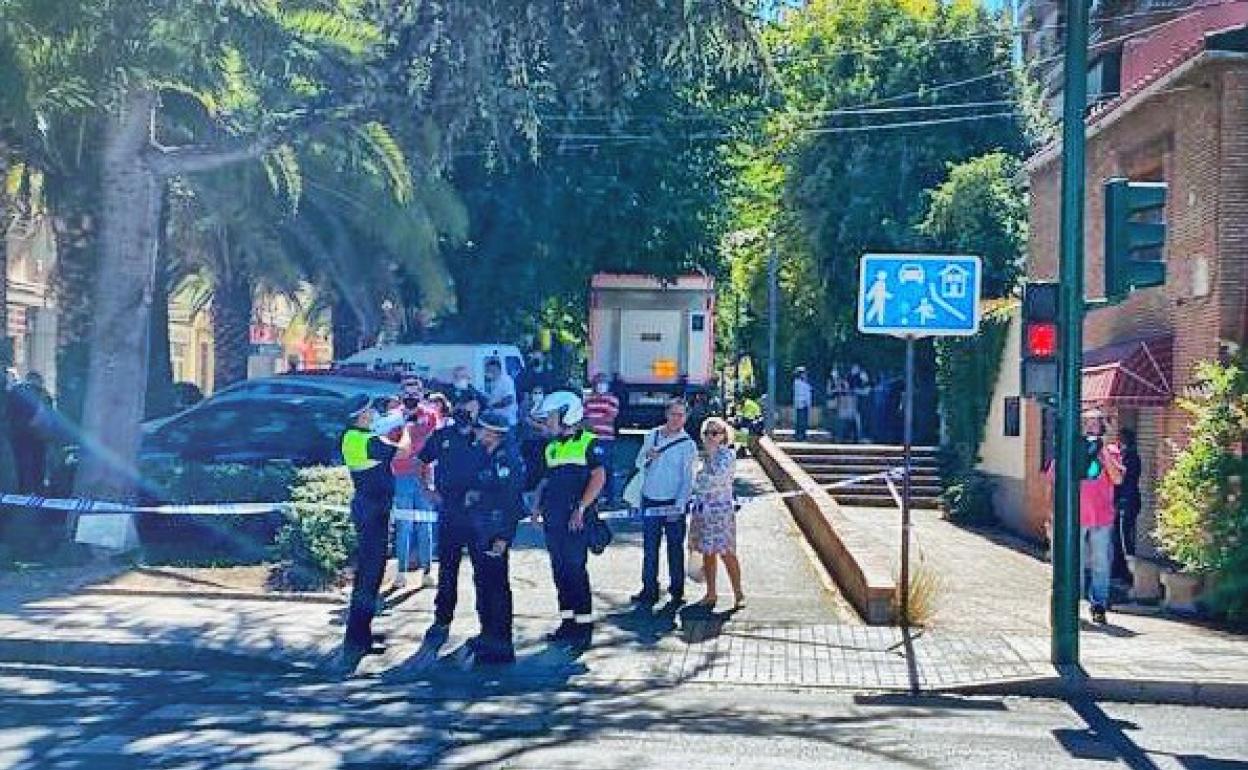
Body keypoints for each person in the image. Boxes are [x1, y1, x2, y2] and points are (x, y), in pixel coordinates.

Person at [337, 394, 412, 669]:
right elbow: (402, 451)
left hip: (371, 510)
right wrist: (404, 430)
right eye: (369, 412)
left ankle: (362, 634)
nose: (373, 415)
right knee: (369, 576)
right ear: (360, 415)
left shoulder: (356, 436)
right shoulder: (363, 440)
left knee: (371, 575)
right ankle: (356, 639)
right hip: (372, 513)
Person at [532, 391, 607, 649]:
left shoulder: (589, 442)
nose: (547, 422)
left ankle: (584, 628)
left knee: (575, 570)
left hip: (576, 519)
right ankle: (567, 623)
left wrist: (582, 508)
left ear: (567, 414)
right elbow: (545, 480)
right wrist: (535, 507)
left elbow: (598, 477)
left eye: (551, 416)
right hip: (554, 518)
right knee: (559, 570)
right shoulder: (551, 447)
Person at [418, 392, 489, 639]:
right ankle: (442, 618)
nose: (465, 412)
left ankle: (486, 621)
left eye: (470, 407)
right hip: (449, 508)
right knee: (448, 567)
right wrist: (427, 488)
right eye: (461, 406)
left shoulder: (484, 437)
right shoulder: (442, 436)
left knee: (483, 568)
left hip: (478, 512)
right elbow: (423, 459)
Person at [461, 412, 527, 665]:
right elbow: (489, 489)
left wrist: (503, 537)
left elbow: (511, 501)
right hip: (482, 529)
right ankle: (487, 635)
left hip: (496, 531)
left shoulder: (507, 459)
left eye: (482, 430)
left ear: (493, 433)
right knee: (483, 585)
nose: (477, 433)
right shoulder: (486, 456)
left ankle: (500, 645)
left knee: (497, 588)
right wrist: (475, 494)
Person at [1049, 408, 1124, 624]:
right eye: (1087, 423)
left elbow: (1117, 479)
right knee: (1074, 562)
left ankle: (1099, 604)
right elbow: (1054, 481)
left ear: (1103, 427)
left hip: (1101, 516)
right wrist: (1053, 513)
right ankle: (1073, 604)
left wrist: (1104, 453)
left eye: (1095, 423)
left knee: (1101, 562)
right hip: (1075, 516)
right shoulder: (1071, 449)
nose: (1091, 427)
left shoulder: (1111, 450)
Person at [631, 398, 697, 606]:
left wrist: (679, 505)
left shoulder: (688, 445)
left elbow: (688, 478)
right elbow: (639, 462)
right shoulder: (652, 435)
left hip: (673, 502)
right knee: (650, 548)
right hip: (651, 498)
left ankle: (677, 590)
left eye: (681, 415)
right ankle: (649, 588)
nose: (677, 419)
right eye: (674, 414)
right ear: (666, 414)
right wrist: (647, 456)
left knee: (675, 548)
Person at [689, 417, 744, 610]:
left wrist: (700, 478)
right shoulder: (703, 456)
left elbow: (715, 480)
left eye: (715, 433)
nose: (711, 437)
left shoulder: (726, 455)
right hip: (702, 511)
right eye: (707, 433)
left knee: (727, 552)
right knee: (708, 553)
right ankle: (711, 593)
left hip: (721, 512)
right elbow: (694, 482)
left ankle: (738, 593)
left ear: (723, 435)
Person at [391, 376, 440, 589]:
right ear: (402, 394)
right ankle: (400, 572)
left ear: (421, 394)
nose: (412, 397)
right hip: (401, 473)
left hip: (425, 473)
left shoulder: (430, 415)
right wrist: (403, 421)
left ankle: (427, 571)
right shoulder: (393, 416)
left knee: (425, 524)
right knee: (404, 525)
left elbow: (434, 440)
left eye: (415, 393)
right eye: (408, 393)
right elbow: (389, 442)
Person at [7, 371, 53, 493]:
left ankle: (24, 490)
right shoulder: (44, 395)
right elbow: (49, 415)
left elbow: (9, 413)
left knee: (22, 464)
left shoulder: (15, 392)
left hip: (19, 434)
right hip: (38, 435)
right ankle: (37, 490)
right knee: (38, 464)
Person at [583, 373, 620, 503]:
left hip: (606, 437)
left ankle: (610, 497)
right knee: (593, 466)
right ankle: (594, 495)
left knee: (607, 466)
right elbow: (584, 416)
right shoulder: (588, 400)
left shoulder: (612, 400)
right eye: (599, 383)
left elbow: (610, 416)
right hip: (590, 438)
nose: (601, 386)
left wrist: (593, 421)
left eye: (604, 383)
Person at [1112, 427, 1142, 584]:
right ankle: (1118, 569)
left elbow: (1126, 480)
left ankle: (1128, 574)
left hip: (1127, 502)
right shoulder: (1125, 457)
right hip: (1123, 502)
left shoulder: (1131, 458)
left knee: (1124, 539)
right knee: (1118, 537)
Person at [482, 357, 518, 426]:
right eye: (488, 370)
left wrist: (493, 406)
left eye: (492, 370)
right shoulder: (493, 382)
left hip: (506, 420)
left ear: (499, 369)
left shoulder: (506, 381)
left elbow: (509, 399)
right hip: (497, 419)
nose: (489, 372)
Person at [848, 364, 872, 442]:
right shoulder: (853, 378)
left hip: (862, 402)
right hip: (856, 402)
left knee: (860, 419)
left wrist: (857, 391)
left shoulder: (861, 376)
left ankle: (861, 436)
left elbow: (867, 389)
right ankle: (857, 436)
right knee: (856, 419)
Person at [792, 367, 812, 442]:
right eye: (804, 373)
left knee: (803, 421)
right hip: (801, 404)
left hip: (805, 404)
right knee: (801, 421)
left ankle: (802, 435)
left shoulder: (804, 382)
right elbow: (800, 394)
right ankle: (799, 436)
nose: (805, 374)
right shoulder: (797, 383)